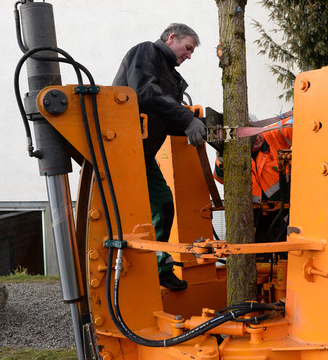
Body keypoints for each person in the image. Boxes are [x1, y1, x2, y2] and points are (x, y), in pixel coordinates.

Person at [113, 23, 206, 291]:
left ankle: (159, 268)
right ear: (172, 37)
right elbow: (145, 93)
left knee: (163, 205)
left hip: (141, 154)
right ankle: (146, 270)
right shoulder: (146, 52)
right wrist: (188, 119)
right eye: (187, 48)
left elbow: (166, 116)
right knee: (140, 212)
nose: (188, 55)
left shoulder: (172, 77)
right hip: (123, 149)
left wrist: (204, 129)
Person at [214, 121, 293, 242]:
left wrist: (297, 115)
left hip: (286, 210)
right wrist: (221, 159)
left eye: (257, 132)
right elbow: (220, 178)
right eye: (250, 136)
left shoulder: (273, 135)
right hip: (256, 216)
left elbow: (290, 127)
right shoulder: (233, 153)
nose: (256, 138)